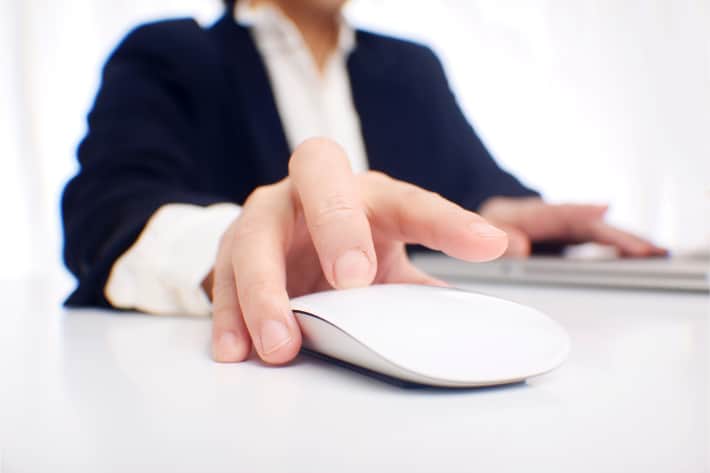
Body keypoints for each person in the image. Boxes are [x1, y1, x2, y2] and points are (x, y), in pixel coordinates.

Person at [61, 0, 664, 366]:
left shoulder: (408, 67)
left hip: (419, 349)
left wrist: (501, 209)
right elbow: (106, 211)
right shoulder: (172, 53)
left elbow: (467, 181)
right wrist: (237, 247)